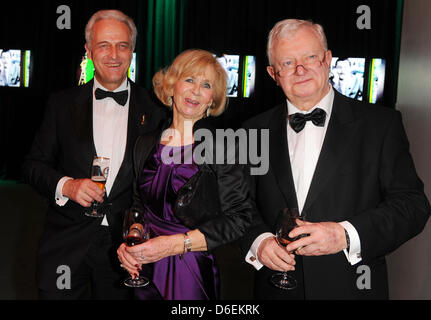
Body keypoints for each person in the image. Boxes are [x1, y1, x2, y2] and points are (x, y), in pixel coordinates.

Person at [240, 19, 431, 299]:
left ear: (328, 59)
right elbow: (238, 205)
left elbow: (413, 206)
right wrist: (258, 242)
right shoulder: (252, 130)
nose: (301, 70)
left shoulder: (381, 125)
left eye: (310, 57)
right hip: (276, 289)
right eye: (288, 63)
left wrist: (345, 235)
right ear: (273, 73)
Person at [21, 9, 166, 299]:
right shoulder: (61, 105)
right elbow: (32, 166)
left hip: (128, 251)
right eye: (103, 45)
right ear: (88, 50)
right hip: (66, 244)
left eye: (122, 45)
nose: (114, 54)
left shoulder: (157, 110)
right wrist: (68, 185)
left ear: (132, 49)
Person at [117, 49, 254, 300]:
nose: (195, 91)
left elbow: (239, 219)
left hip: (189, 268)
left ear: (213, 99)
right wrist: (132, 238)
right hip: (144, 266)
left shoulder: (224, 147)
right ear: (171, 87)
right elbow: (139, 205)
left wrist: (174, 245)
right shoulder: (144, 144)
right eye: (189, 80)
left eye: (206, 85)